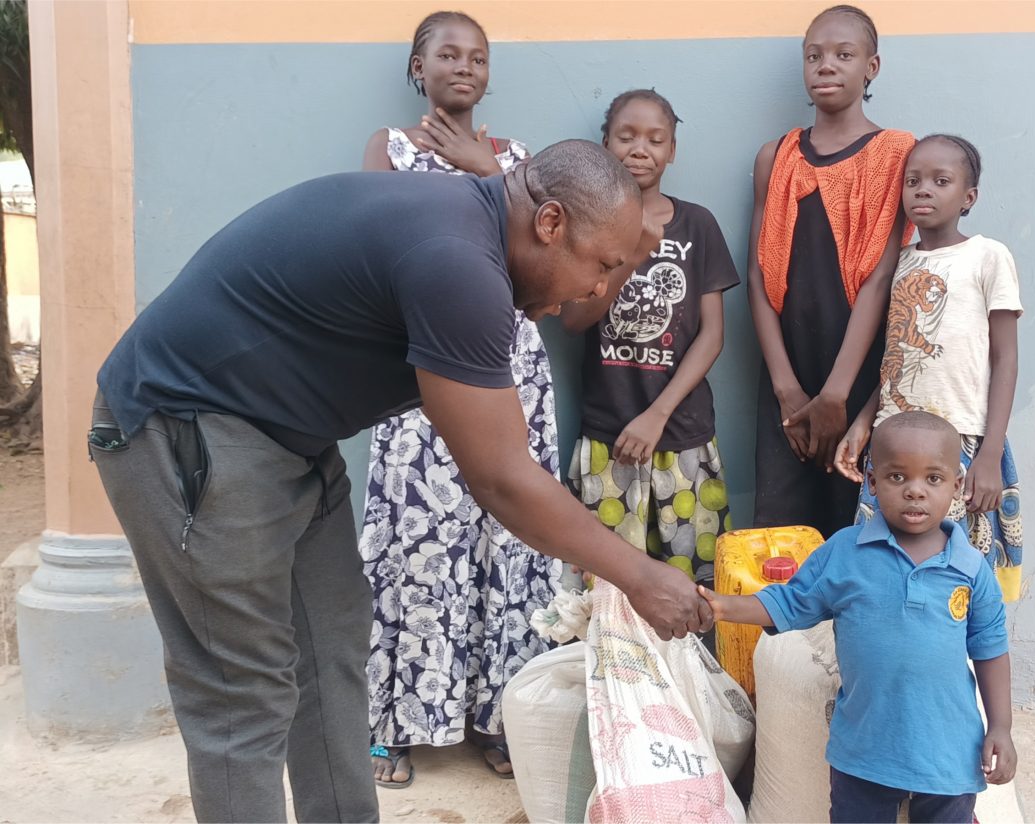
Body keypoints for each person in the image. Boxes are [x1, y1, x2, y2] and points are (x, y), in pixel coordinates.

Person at [88, 140, 711, 824]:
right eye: (602, 265)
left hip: (287, 439)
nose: (598, 289)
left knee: (332, 652)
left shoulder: (471, 243)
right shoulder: (457, 261)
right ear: (551, 223)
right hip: (187, 427)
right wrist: (640, 576)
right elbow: (502, 479)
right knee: (243, 691)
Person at [359, 10, 554, 789]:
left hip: (511, 366)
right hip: (417, 373)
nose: (464, 67)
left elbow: (540, 259)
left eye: (477, 56)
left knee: (508, 542)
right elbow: (381, 241)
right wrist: (491, 185)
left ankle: (499, 718)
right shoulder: (389, 148)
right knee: (418, 545)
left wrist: (489, 171)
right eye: (448, 54)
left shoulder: (518, 159)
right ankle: (392, 722)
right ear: (418, 67)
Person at [700, 411, 1017, 824]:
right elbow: (788, 602)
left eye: (933, 479)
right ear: (871, 482)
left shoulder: (971, 569)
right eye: (897, 477)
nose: (915, 492)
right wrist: (721, 606)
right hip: (865, 749)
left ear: (957, 486)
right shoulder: (846, 552)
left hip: (948, 748)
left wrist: (1001, 728)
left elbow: (992, 650)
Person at [747, 4, 915, 539]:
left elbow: (879, 277)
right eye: (814, 55)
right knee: (781, 540)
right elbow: (758, 277)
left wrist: (838, 394)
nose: (826, 65)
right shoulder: (775, 157)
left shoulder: (896, 156)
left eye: (844, 55)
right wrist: (786, 390)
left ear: (872, 67)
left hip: (859, 377)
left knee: (862, 527)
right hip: (788, 378)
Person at [562, 89, 739, 593]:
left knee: (694, 589)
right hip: (608, 441)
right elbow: (574, 320)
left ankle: (691, 676)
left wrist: (657, 415)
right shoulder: (587, 223)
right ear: (604, 144)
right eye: (627, 136)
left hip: (682, 434)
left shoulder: (697, 224)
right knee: (607, 593)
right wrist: (634, 251)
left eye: (656, 139)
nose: (641, 149)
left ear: (672, 151)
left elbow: (712, 335)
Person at [834, 135, 1024, 601]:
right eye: (913, 181)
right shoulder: (899, 264)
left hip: (959, 442)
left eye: (941, 181)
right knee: (888, 571)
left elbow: (1006, 358)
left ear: (968, 198)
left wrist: (989, 454)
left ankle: (962, 670)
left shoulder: (988, 256)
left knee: (956, 579)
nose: (923, 190)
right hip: (894, 442)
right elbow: (899, 360)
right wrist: (862, 424)